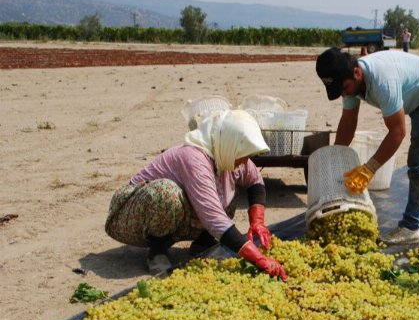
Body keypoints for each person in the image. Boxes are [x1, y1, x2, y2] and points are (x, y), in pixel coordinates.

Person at [105, 109, 287, 280]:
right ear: (231, 142)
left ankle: (203, 242)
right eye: (244, 155)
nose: (245, 161)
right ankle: (157, 251)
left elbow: (255, 182)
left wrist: (257, 222)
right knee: (166, 192)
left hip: (174, 216)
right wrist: (260, 260)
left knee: (225, 192)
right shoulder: (194, 158)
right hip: (129, 215)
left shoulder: (226, 154)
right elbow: (214, 218)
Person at [315, 47, 419, 245]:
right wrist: (334, 159)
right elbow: (348, 122)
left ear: (357, 73)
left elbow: (397, 132)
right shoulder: (350, 81)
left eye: (343, 88)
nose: (343, 94)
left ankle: (410, 227)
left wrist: (368, 169)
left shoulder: (383, 82)